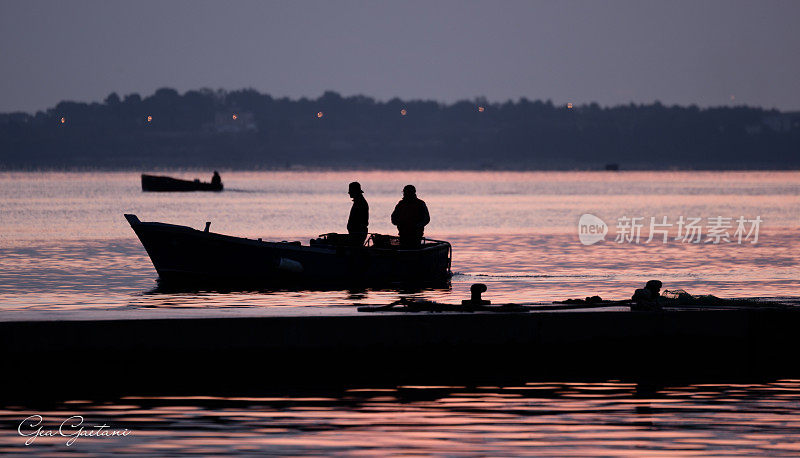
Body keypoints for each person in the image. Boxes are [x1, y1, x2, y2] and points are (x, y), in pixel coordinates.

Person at [346, 181, 369, 246]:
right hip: (356, 233)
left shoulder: (360, 203)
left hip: (357, 234)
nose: (349, 193)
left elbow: (359, 220)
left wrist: (353, 230)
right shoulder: (359, 201)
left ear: (355, 192)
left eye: (350, 191)